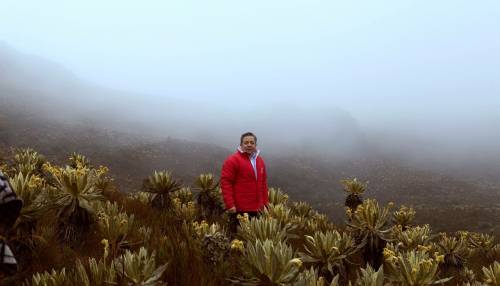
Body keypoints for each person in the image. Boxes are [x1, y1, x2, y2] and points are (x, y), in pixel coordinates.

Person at [220, 132, 269, 234]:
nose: (249, 144)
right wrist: (230, 204)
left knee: (255, 239)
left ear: (255, 145)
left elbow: (263, 184)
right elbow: (226, 183)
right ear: (241, 145)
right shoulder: (233, 160)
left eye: (252, 142)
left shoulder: (260, 161)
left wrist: (265, 204)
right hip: (241, 209)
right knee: (240, 238)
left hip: (258, 209)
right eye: (246, 142)